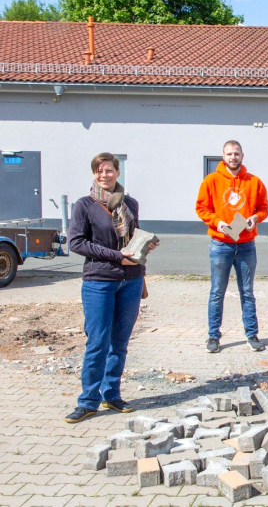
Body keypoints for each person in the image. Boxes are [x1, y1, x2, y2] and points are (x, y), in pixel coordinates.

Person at [65, 153, 157, 423]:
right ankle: (87, 401)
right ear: (94, 174)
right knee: (97, 342)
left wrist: (145, 245)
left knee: (120, 342)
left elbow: (132, 238)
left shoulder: (130, 204)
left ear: (118, 172)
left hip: (131, 280)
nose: (104, 175)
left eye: (109, 170)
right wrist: (118, 257)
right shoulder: (85, 205)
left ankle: (112, 394)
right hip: (100, 281)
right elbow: (77, 243)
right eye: (99, 171)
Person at [196, 140, 268, 354]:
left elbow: (264, 208)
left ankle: (252, 334)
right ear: (223, 156)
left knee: (247, 292)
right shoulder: (211, 181)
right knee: (217, 292)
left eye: (236, 153)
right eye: (229, 154)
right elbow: (202, 208)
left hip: (246, 245)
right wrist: (218, 222)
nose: (233, 157)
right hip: (221, 244)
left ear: (242, 155)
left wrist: (255, 218)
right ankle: (213, 336)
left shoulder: (254, 182)